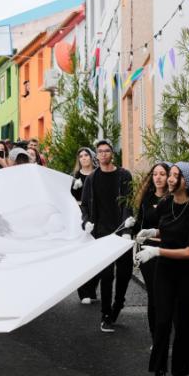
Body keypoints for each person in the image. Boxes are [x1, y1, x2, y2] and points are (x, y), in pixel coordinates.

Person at [135, 161, 189, 376]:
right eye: (170, 174)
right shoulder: (167, 204)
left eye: (175, 175)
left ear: (185, 183)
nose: (169, 178)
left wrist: (156, 252)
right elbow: (165, 228)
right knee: (162, 322)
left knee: (182, 325)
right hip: (165, 272)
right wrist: (151, 233)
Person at [80, 139, 135, 332]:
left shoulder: (124, 175)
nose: (103, 154)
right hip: (102, 234)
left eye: (107, 151)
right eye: (100, 151)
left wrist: (127, 229)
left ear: (112, 153)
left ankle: (117, 305)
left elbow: (130, 201)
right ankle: (105, 315)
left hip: (122, 233)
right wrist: (86, 222)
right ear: (97, 156)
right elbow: (85, 205)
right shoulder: (92, 178)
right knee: (106, 275)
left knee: (124, 273)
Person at [132, 162, 171, 337]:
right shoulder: (146, 199)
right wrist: (134, 237)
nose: (158, 177)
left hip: (168, 249)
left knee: (167, 295)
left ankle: (166, 332)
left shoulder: (172, 199)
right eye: (155, 174)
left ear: (168, 176)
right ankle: (155, 336)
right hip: (148, 251)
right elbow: (140, 223)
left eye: (162, 173)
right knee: (154, 295)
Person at [70, 147, 98, 305]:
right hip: (79, 217)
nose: (83, 158)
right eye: (80, 156)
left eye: (86, 155)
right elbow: (67, 199)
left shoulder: (97, 175)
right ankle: (83, 292)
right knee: (82, 255)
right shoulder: (75, 177)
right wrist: (74, 189)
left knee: (97, 254)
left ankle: (92, 288)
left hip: (97, 216)